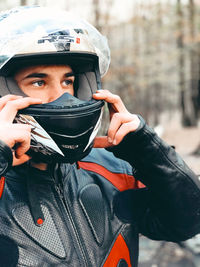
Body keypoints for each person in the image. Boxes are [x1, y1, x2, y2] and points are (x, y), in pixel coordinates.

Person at [0, 6, 199, 267]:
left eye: (68, 81)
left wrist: (147, 150)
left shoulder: (111, 170)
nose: (62, 97)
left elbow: (185, 222)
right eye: (39, 82)